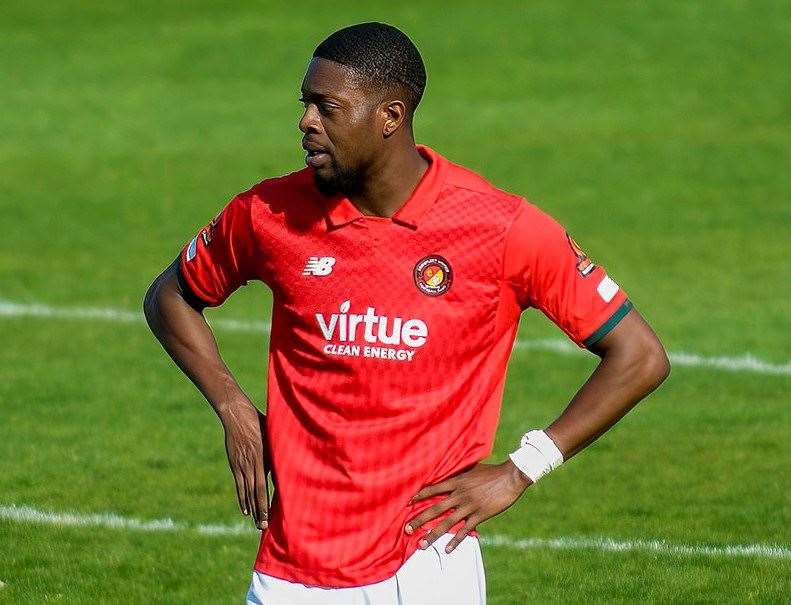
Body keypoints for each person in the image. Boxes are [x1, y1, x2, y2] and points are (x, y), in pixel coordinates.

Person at [143, 22, 670, 605]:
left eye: (328, 106)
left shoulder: (499, 229)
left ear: (390, 116)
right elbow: (170, 296)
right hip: (291, 573)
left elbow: (640, 356)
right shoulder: (268, 213)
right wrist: (234, 408)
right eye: (305, 103)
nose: (306, 121)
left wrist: (523, 467)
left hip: (427, 569)